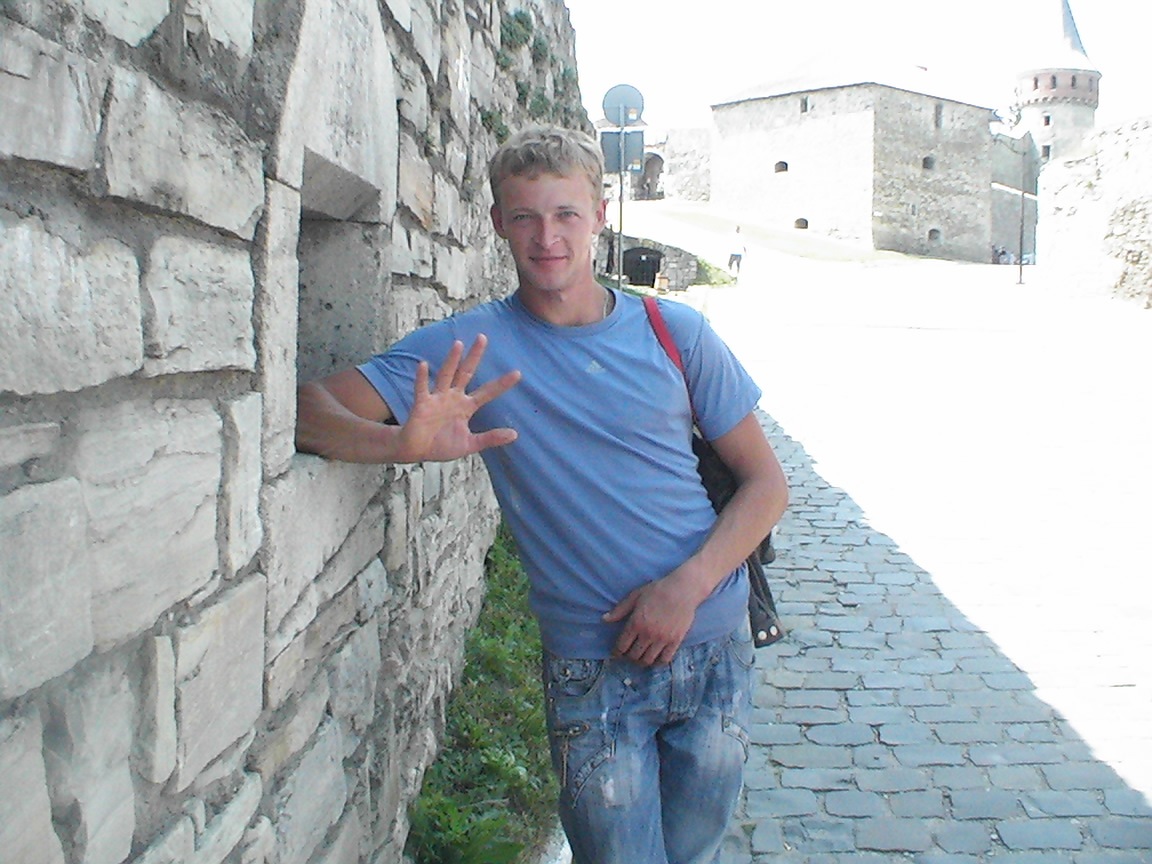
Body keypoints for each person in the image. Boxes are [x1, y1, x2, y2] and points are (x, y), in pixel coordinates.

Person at [296, 126, 789, 864]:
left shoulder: (675, 332)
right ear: (498, 223)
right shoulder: (469, 349)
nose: (547, 237)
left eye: (565, 214)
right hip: (596, 666)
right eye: (525, 216)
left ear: (599, 215)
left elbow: (766, 485)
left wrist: (685, 588)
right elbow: (307, 410)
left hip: (715, 647)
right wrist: (397, 446)